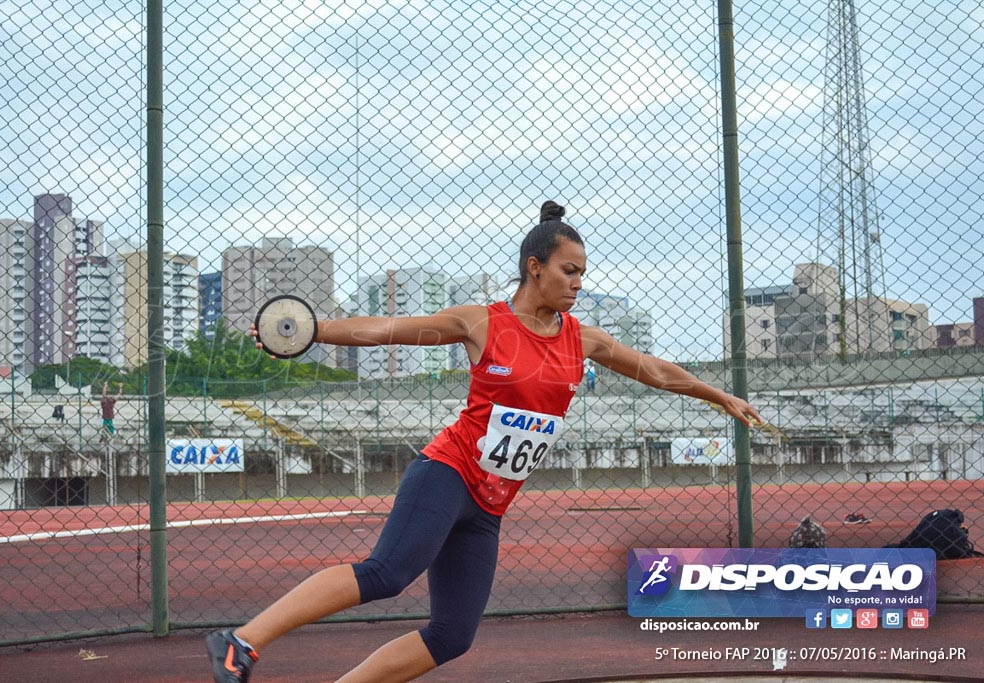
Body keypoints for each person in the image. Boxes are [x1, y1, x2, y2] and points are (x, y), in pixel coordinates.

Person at [206, 201, 762, 683]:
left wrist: (719, 396)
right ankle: (242, 641)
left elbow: (656, 371)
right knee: (387, 574)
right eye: (569, 271)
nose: (577, 282)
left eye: (583, 274)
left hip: (491, 505)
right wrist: (309, 330)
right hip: (446, 474)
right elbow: (387, 330)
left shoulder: (583, 339)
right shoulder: (484, 324)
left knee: (452, 636)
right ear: (534, 267)